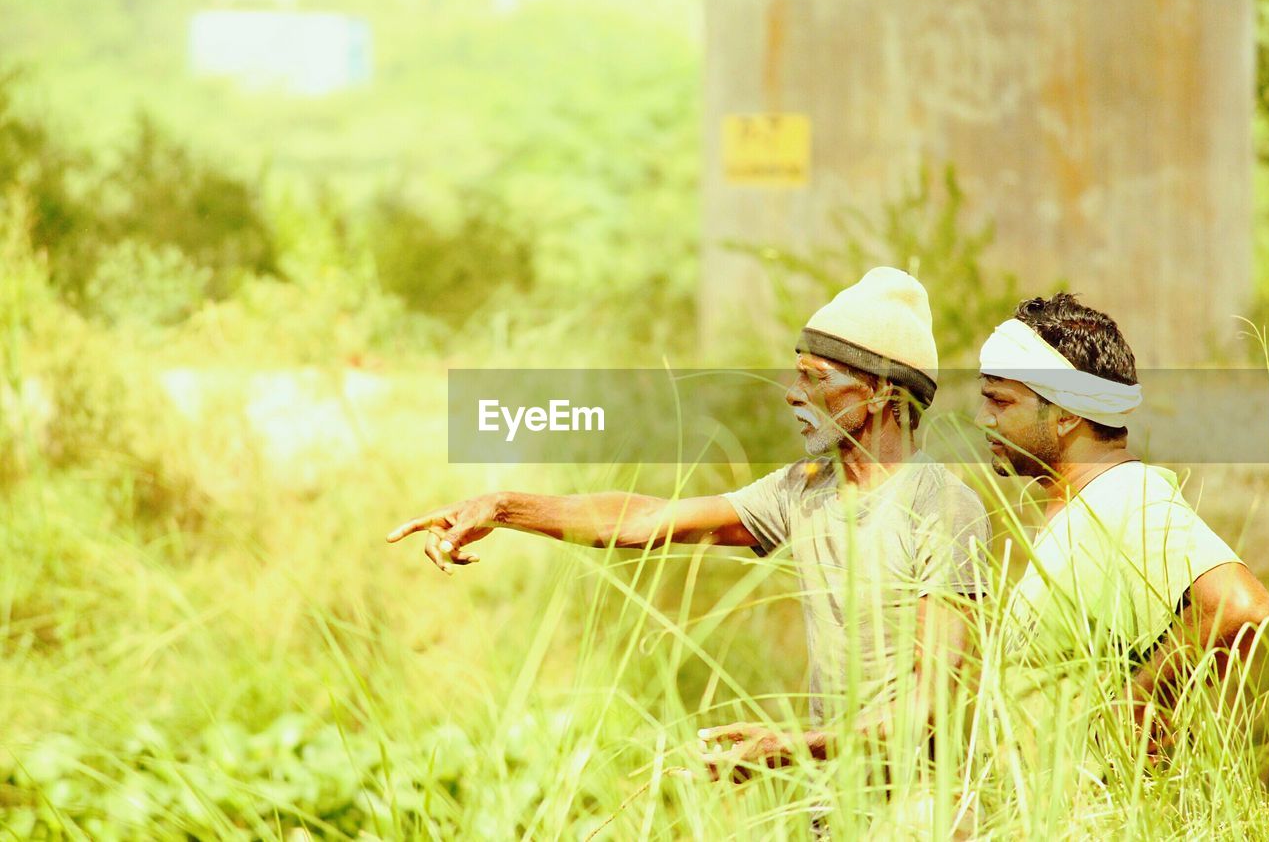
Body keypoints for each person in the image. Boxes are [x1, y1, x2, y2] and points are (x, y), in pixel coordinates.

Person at [386, 267, 990, 779]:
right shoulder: (803, 491)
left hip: (923, 817)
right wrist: (502, 507)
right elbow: (642, 522)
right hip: (835, 808)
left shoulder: (942, 510)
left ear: (882, 392)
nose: (790, 393)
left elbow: (928, 706)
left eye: (815, 378)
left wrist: (789, 747)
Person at [976, 293, 1269, 758]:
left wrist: (1137, 705)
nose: (984, 419)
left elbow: (1240, 604)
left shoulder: (1126, 499)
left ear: (1066, 413)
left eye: (1000, 401)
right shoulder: (1082, 507)